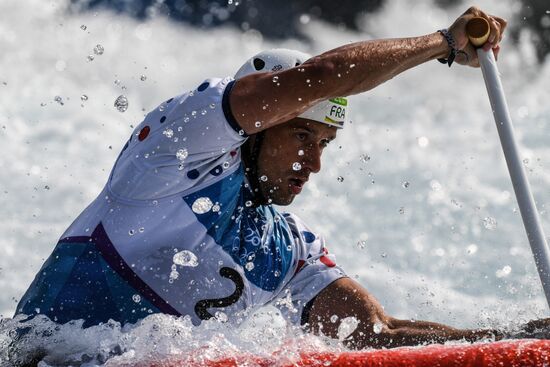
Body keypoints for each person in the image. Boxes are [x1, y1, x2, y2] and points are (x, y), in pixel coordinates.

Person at [15, 6, 548, 348]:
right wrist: (443, 43)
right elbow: (321, 76)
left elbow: (377, 334)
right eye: (300, 137)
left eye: (324, 145)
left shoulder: (288, 250)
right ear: (258, 127)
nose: (313, 163)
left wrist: (513, 341)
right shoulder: (177, 150)